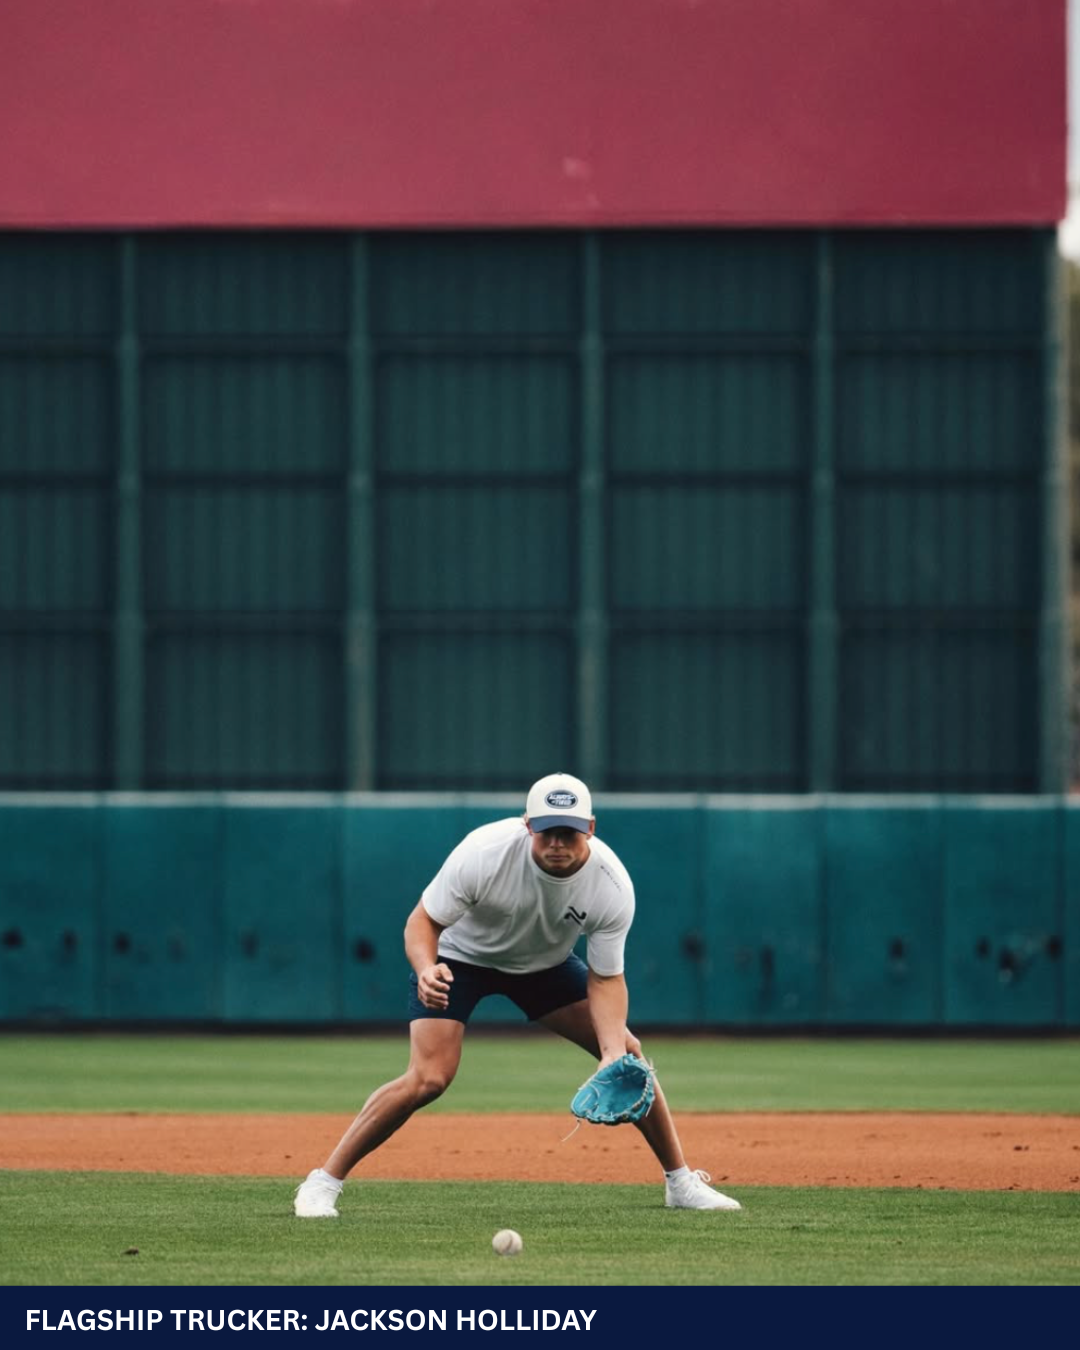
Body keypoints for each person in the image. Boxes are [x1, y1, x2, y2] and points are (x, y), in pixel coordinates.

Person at [294, 771, 741, 1217]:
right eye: (546, 831)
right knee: (429, 1078)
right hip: (460, 960)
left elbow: (606, 978)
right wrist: (426, 968)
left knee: (628, 1055)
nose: (557, 843)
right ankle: (323, 1181)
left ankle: (680, 1182)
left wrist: (610, 1053)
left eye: (568, 832)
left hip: (544, 967)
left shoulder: (611, 884)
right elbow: (422, 922)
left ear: (590, 828)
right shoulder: (484, 852)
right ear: (528, 825)